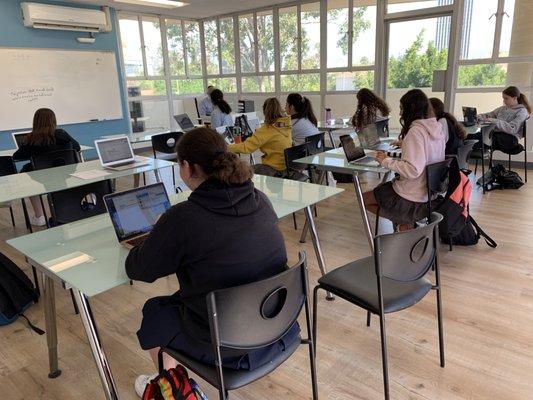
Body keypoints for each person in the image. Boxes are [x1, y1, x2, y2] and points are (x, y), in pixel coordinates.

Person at [126, 127, 300, 397]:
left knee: (155, 311)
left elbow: (139, 270)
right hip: (278, 324)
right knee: (186, 299)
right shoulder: (260, 199)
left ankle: (171, 385)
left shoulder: (183, 217)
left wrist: (159, 233)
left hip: (230, 342)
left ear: (186, 167)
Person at [363, 89, 445, 231]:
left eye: (401, 108)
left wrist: (385, 161)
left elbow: (413, 170)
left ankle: (405, 222)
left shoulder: (415, 132)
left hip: (411, 196)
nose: (400, 113)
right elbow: (425, 155)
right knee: (380, 191)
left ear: (411, 108)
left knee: (363, 199)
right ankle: (406, 224)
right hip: (429, 195)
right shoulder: (436, 129)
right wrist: (405, 145)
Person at [13, 108, 80, 227]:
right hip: (65, 173)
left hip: (42, 177)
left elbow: (17, 156)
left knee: (25, 177)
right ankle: (63, 212)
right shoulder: (62, 134)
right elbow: (77, 147)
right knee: (51, 176)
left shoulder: (32, 138)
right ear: (53, 120)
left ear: (36, 122)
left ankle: (39, 216)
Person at [228, 98, 292, 176]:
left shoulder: (266, 130)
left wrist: (226, 147)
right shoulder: (286, 125)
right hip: (286, 168)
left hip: (273, 170)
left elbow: (246, 148)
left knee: (241, 172)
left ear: (265, 112)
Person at [477, 86, 531, 153]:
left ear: (515, 98)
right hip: (497, 135)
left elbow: (512, 129)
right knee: (476, 136)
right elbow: (490, 114)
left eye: (506, 98)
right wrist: (480, 116)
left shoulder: (522, 111)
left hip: (510, 138)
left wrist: (494, 121)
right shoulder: (503, 108)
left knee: (482, 139)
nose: (504, 101)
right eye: (503, 98)